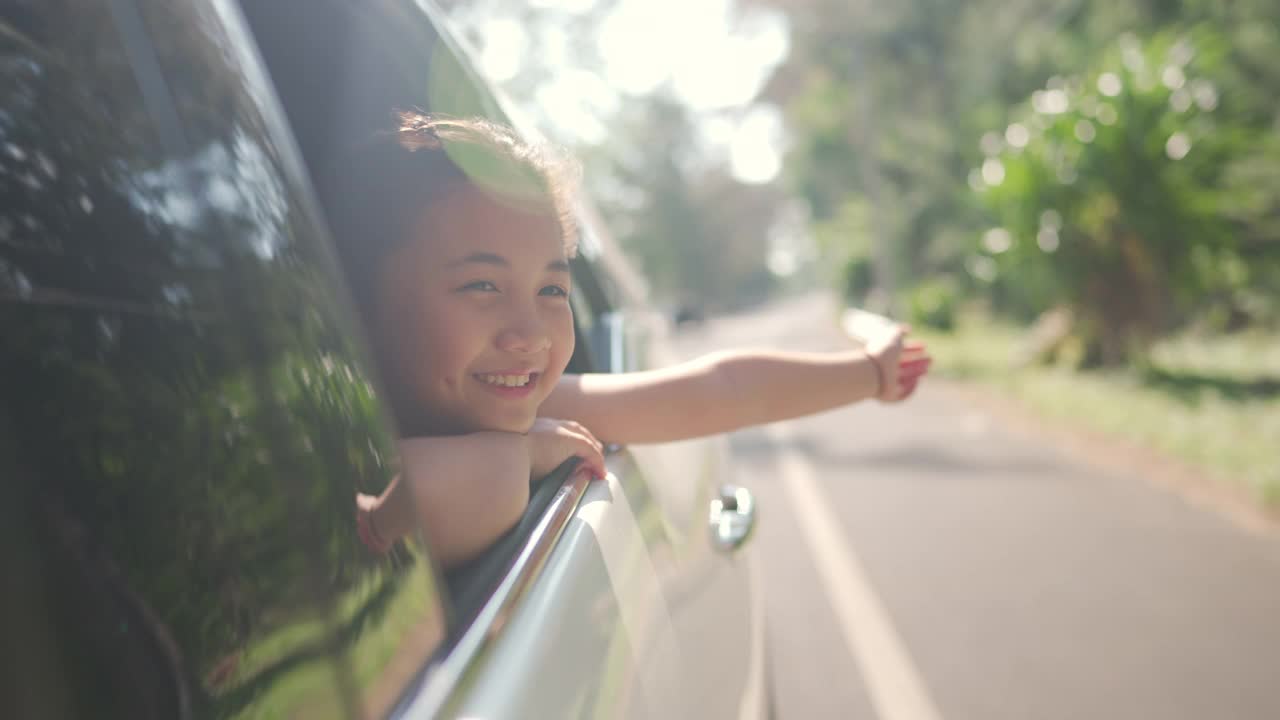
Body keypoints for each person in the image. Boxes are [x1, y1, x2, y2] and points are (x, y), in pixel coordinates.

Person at [330, 113, 930, 565]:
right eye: (482, 285)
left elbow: (720, 391)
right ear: (364, 308)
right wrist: (526, 454)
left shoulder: (528, 405)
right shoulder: (331, 445)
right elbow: (432, 495)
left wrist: (870, 374)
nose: (531, 333)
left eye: (553, 291)